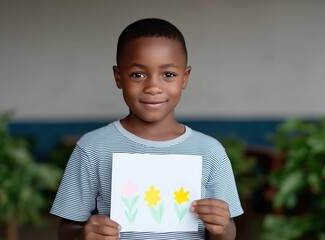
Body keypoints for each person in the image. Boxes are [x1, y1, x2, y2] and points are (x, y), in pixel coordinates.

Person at [50, 18, 243, 240]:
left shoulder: (210, 152)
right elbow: (67, 229)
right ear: (118, 77)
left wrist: (222, 228)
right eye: (138, 75)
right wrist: (85, 235)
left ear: (185, 77)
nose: (153, 87)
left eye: (168, 75)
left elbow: (226, 233)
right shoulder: (92, 148)